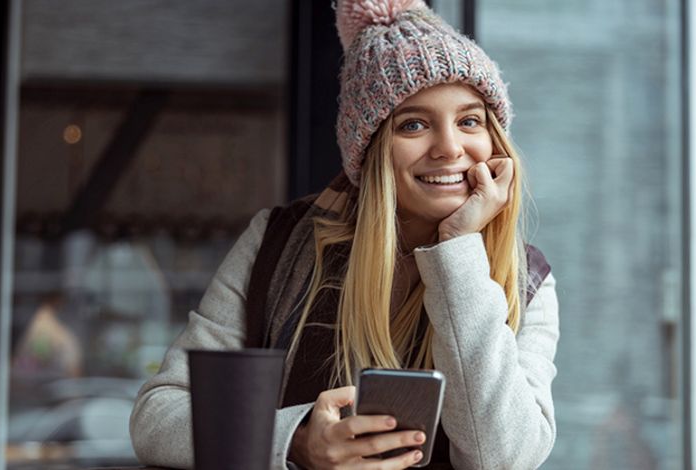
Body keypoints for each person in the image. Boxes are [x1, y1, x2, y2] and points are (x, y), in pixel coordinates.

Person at [129, 0, 560, 468]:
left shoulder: (528, 279)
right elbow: (157, 415)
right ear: (370, 147)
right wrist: (295, 441)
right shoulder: (276, 244)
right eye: (413, 124)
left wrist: (457, 250)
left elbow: (502, 456)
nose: (450, 148)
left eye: (470, 120)